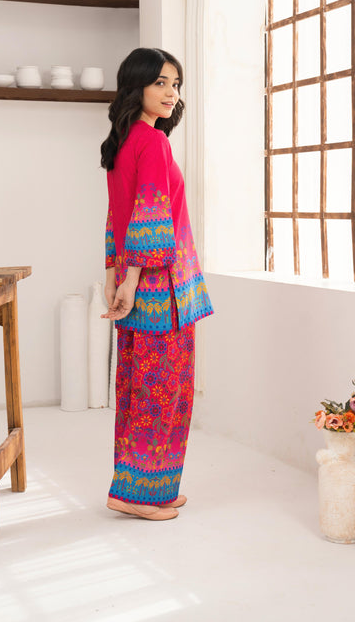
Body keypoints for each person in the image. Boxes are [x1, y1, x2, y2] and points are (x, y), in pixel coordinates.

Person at [100, 47, 214, 521]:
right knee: (163, 394)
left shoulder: (123, 141)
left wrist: (114, 276)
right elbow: (149, 218)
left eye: (175, 84)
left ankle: (146, 487)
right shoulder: (152, 142)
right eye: (161, 83)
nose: (171, 93)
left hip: (138, 286)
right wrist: (130, 280)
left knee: (139, 392)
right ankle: (138, 495)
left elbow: (117, 217)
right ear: (138, 87)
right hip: (160, 290)